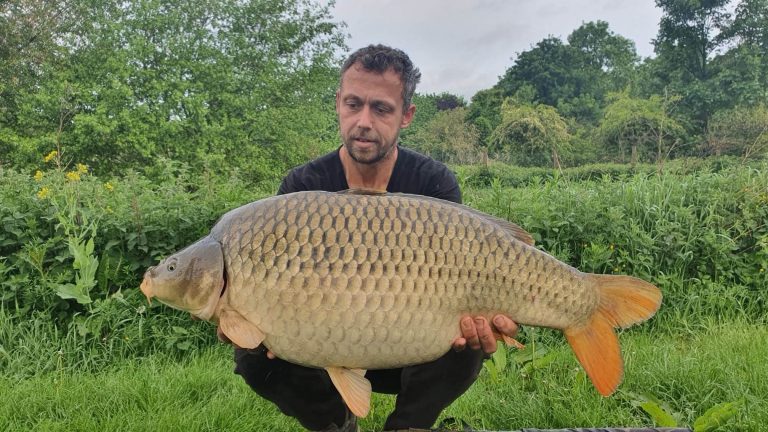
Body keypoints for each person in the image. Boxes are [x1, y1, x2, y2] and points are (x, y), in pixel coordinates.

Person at [223, 44, 519, 432]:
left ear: (407, 115)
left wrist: (488, 315)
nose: (363, 121)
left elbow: (463, 275)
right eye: (353, 104)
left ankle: (408, 425)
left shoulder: (433, 183)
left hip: (411, 348)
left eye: (380, 109)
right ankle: (335, 423)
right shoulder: (302, 188)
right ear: (338, 104)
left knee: (467, 345)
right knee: (253, 356)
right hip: (323, 344)